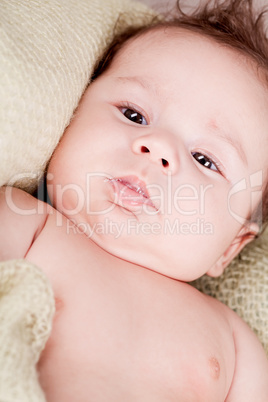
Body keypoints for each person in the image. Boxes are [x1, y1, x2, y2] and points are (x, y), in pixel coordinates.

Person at [1, 0, 268, 400]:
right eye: (134, 114)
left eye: (205, 159)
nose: (159, 148)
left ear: (230, 248)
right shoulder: (29, 226)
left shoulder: (234, 341)